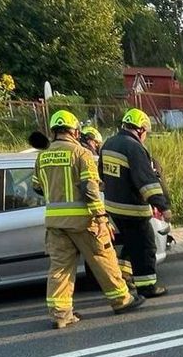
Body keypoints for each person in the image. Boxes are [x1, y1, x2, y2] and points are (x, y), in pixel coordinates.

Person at [34, 110, 144, 329]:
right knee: (103, 259)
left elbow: (37, 188)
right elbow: (90, 189)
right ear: (74, 131)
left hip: (55, 224)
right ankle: (121, 300)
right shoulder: (80, 153)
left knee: (60, 269)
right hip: (84, 221)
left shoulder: (42, 156)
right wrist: (101, 217)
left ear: (54, 131)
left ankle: (61, 314)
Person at [100, 108, 171, 298]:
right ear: (140, 129)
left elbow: (101, 175)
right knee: (146, 247)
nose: (145, 136)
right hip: (133, 209)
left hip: (113, 208)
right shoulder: (134, 147)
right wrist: (163, 206)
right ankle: (147, 286)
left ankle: (124, 275)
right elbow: (146, 182)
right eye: (146, 132)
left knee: (131, 244)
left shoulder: (109, 144)